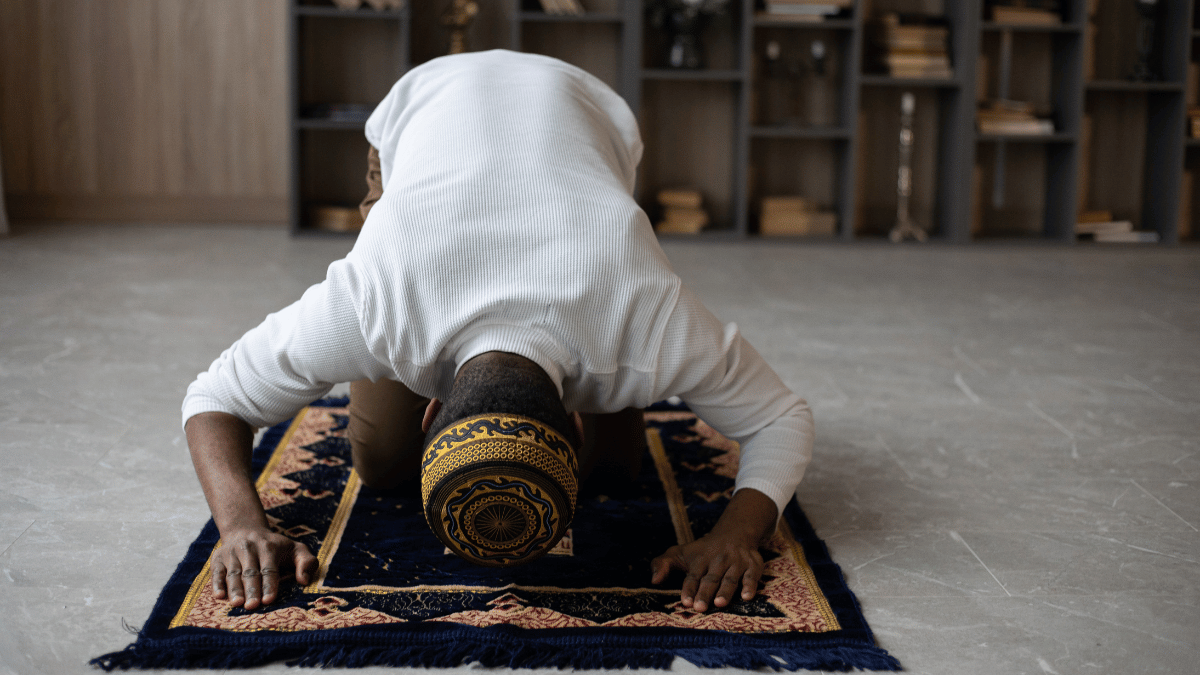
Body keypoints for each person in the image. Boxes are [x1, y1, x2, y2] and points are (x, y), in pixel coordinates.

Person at [183, 50, 813, 617]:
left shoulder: (647, 315)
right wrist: (240, 526)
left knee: (615, 473)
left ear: (433, 412)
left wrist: (735, 535)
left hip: (584, 115)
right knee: (382, 464)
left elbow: (783, 419)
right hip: (422, 106)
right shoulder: (372, 300)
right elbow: (213, 399)